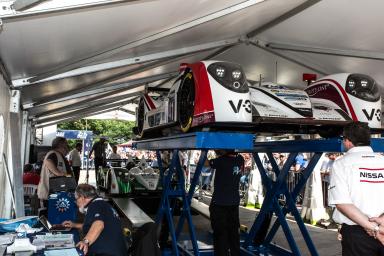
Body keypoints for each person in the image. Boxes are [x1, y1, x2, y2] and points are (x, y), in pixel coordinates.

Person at [328, 122, 384, 256]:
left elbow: (343, 203)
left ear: (347, 141)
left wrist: (375, 228)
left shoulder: (341, 164)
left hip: (357, 235)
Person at [62, 184, 127, 256]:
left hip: (107, 253)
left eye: (76, 199)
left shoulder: (95, 205)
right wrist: (74, 225)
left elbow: (98, 225)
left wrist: (85, 241)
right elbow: (92, 225)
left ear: (82, 197)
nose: (76, 203)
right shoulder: (102, 204)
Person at [209, 150, 244, 256]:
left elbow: (205, 163)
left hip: (220, 203)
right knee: (233, 234)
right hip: (233, 203)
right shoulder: (240, 159)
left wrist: (204, 151)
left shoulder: (220, 161)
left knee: (220, 235)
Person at [37, 137, 71, 204]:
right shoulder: (53, 153)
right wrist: (59, 173)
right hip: (51, 195)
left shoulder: (58, 155)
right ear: (61, 145)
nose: (68, 146)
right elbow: (48, 161)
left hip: (56, 194)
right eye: (66, 144)